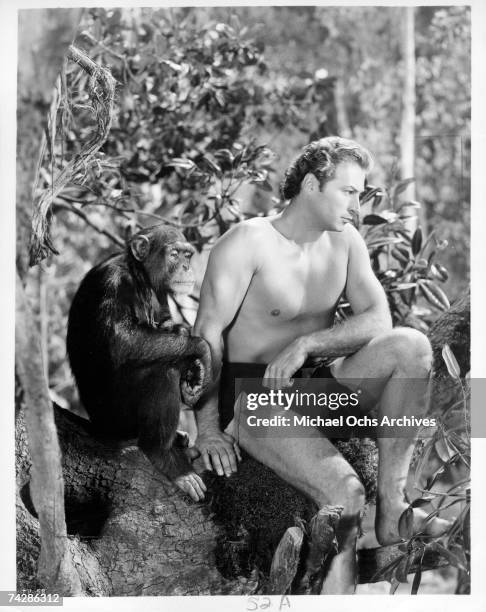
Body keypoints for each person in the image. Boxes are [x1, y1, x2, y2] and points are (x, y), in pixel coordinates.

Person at [192, 136, 449, 593]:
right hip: (251, 405)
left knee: (410, 344)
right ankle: (338, 586)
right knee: (346, 492)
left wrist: (309, 343)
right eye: (348, 192)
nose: (357, 204)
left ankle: (391, 509)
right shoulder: (247, 242)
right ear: (311, 184)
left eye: (360, 193)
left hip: (308, 390)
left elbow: (378, 318)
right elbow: (205, 337)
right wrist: (207, 429)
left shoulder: (346, 241)